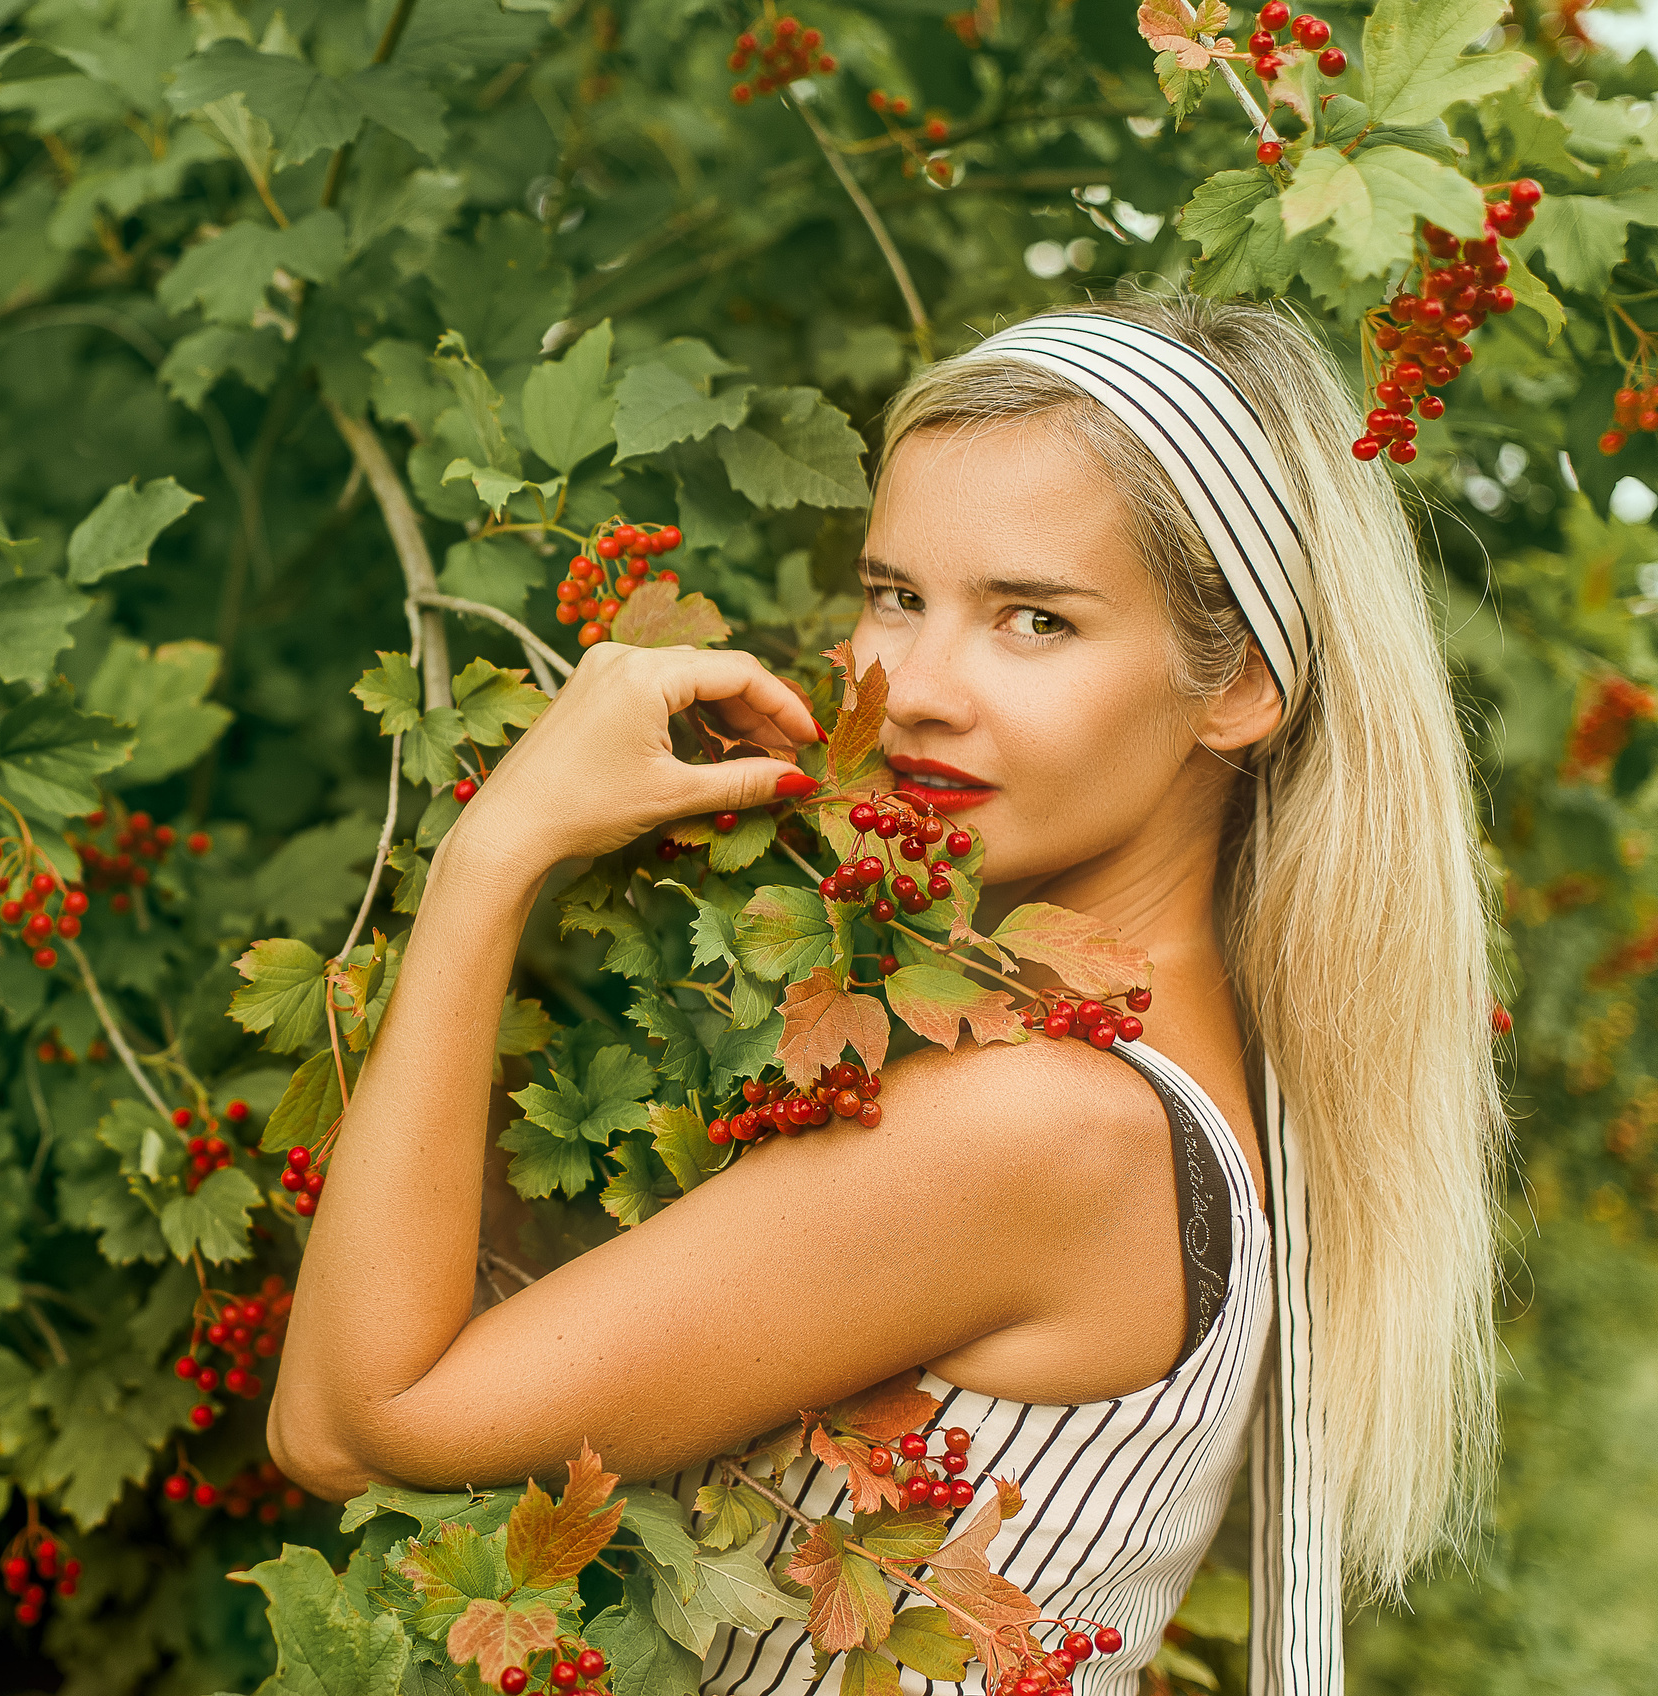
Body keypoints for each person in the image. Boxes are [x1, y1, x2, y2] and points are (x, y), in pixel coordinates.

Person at [265, 293, 1504, 1695]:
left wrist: (498, 846)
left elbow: (351, 1423)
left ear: (1238, 688)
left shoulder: (1041, 1124)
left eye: (1035, 619)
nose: (910, 685)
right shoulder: (1181, 1072)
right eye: (894, 594)